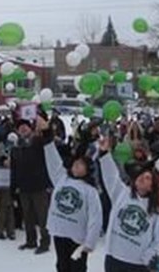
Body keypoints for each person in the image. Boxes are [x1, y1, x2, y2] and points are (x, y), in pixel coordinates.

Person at [41, 116, 103, 272]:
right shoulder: (62, 177)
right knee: (62, 265)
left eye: (81, 165)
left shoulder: (90, 190)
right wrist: (47, 135)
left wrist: (90, 242)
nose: (76, 166)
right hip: (60, 233)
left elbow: (95, 218)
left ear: (88, 170)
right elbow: (53, 159)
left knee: (77, 267)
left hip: (78, 237)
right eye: (75, 164)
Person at [98, 136, 159, 272]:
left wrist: (149, 257)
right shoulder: (122, 193)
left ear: (152, 186)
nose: (142, 178)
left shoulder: (155, 210)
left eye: (147, 178)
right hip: (114, 258)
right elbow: (111, 176)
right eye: (140, 175)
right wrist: (104, 154)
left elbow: (158, 240)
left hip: (137, 264)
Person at [10, 118, 52, 254]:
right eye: (20, 127)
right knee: (27, 216)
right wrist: (14, 187)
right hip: (23, 188)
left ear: (31, 128)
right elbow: (14, 169)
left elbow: (48, 138)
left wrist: (43, 124)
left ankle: (45, 242)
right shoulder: (16, 148)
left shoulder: (38, 142)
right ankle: (30, 240)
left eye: (25, 126)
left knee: (42, 217)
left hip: (39, 186)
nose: (23, 129)